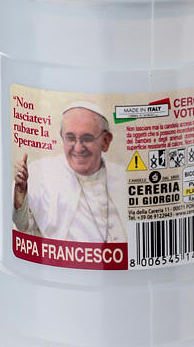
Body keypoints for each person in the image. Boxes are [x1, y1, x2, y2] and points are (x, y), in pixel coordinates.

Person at [12, 102, 127, 243]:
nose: (78, 148)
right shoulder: (41, 173)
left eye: (87, 139)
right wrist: (20, 192)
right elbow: (22, 225)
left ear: (105, 141)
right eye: (70, 138)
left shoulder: (123, 176)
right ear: (62, 137)